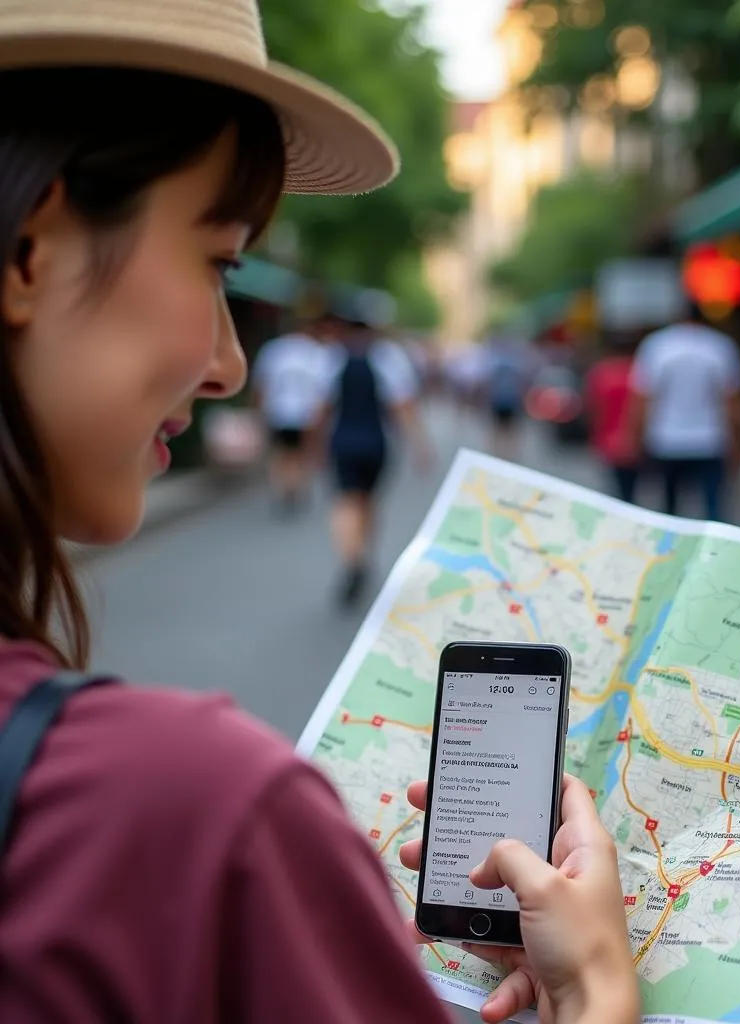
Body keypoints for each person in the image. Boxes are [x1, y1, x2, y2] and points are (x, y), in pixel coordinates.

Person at [0, 2, 641, 1023]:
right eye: (219, 263)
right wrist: (601, 990)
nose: (229, 363)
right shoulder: (199, 820)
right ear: (29, 249)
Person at [319, 299, 432, 606]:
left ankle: (351, 557)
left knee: (346, 501)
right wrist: (420, 445)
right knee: (368, 501)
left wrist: (313, 446)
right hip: (376, 441)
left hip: (343, 440)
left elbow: (322, 408)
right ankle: (361, 554)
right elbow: (403, 405)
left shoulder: (332, 357)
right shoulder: (389, 357)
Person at [629, 304, 740, 520]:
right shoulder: (719, 346)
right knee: (714, 507)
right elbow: (731, 402)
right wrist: (738, 444)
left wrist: (637, 438)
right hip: (710, 439)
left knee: (670, 511)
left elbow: (644, 398)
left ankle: (670, 552)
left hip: (666, 439)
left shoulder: (657, 345)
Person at [251, 293, 333, 515]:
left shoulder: (274, 350)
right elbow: (324, 390)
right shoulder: (318, 353)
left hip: (278, 410)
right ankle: (296, 487)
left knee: (281, 453)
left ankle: (284, 487)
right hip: (306, 413)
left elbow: (262, 384)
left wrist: (259, 411)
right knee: (301, 454)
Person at [585, 338, 641, 504]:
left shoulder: (601, 373)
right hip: (635, 437)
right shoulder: (638, 372)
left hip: (608, 436)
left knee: (616, 486)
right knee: (631, 485)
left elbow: (593, 407)